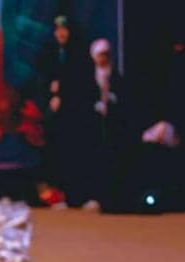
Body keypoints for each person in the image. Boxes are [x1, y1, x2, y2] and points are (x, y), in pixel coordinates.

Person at [69, 38, 125, 209]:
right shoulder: (87, 76)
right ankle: (91, 197)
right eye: (101, 55)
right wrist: (94, 104)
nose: (103, 59)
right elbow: (80, 100)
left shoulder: (115, 76)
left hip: (111, 128)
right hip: (92, 127)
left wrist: (113, 101)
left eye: (106, 55)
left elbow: (125, 98)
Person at [37, 15, 82, 198]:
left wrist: (62, 92)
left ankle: (73, 192)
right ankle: (54, 193)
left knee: (71, 151)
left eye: (64, 29)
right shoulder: (48, 53)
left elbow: (81, 82)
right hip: (52, 113)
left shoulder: (78, 54)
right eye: (57, 29)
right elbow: (41, 80)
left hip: (72, 112)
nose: (61, 33)